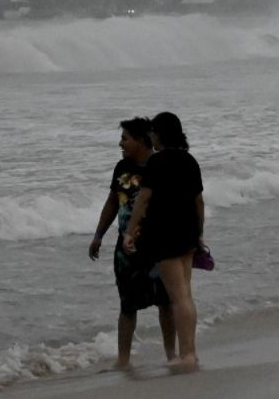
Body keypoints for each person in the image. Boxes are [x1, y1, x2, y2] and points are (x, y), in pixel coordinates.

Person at [89, 117, 176, 370]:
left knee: (166, 302)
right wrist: (98, 235)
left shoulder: (160, 165)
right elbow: (113, 202)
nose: (121, 143)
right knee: (127, 304)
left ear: (140, 140)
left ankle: (172, 356)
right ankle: (123, 361)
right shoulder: (122, 167)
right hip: (126, 250)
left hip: (158, 245)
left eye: (125, 138)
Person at [122, 112, 204, 372]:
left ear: (161, 134)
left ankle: (187, 354)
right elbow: (198, 201)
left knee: (178, 297)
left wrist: (130, 231)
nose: (151, 137)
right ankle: (189, 352)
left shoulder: (157, 162)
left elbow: (143, 199)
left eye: (153, 132)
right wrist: (199, 233)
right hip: (188, 233)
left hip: (164, 235)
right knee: (186, 294)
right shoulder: (190, 161)